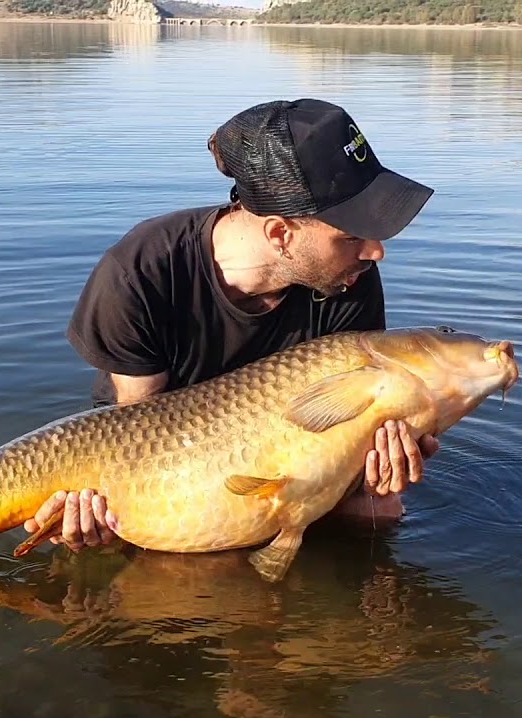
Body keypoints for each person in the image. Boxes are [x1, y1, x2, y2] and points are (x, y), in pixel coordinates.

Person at [24, 98, 438, 552]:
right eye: (353, 236)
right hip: (167, 458)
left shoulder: (348, 277)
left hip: (289, 447)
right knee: (171, 549)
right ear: (280, 234)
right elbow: (137, 441)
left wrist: (381, 454)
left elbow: (345, 422)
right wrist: (113, 510)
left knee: (380, 509)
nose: (376, 251)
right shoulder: (141, 270)